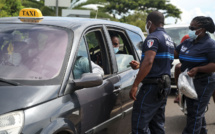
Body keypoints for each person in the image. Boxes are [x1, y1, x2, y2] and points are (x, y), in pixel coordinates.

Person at [129, 11, 174, 134]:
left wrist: (135, 84)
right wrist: (140, 66)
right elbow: (160, 63)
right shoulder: (169, 39)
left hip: (152, 87)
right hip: (163, 85)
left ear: (149, 23)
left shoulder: (153, 37)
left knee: (139, 125)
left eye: (146, 23)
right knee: (157, 124)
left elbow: (149, 61)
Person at [174, 16, 215, 134]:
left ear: (202, 29)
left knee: (195, 113)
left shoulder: (210, 44)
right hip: (189, 82)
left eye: (193, 28)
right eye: (190, 27)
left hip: (204, 82)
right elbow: (175, 54)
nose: (190, 30)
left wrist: (198, 68)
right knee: (194, 112)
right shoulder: (188, 42)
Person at [174, 34, 190, 103]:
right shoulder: (186, 38)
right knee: (178, 67)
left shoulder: (208, 43)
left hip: (201, 65)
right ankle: (178, 92)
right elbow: (178, 51)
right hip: (186, 63)